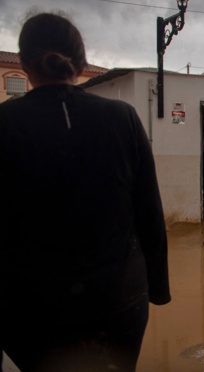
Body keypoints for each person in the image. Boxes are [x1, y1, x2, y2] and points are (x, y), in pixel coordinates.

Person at [0, 13, 170, 372]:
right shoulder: (122, 117)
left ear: (26, 64)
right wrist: (157, 289)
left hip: (30, 311)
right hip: (117, 304)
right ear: (80, 64)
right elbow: (150, 214)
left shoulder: (6, 123)